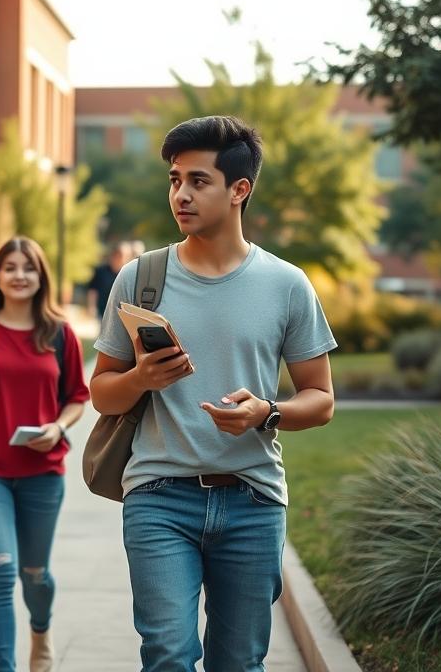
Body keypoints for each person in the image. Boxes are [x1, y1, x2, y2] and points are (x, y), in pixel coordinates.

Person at [90, 115, 337, 671]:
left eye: (198, 181)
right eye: (175, 180)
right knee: (168, 655)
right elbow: (103, 394)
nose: (181, 194)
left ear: (239, 189)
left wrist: (265, 412)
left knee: (239, 661)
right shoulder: (140, 278)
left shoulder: (287, 284)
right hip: (158, 494)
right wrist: (141, 379)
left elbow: (320, 399)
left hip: (252, 501)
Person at [0, 237, 91, 672]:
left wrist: (57, 427)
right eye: (10, 267)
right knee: (0, 567)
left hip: (42, 470)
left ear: (40, 276)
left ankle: (41, 629)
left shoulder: (59, 332)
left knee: (34, 573)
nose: (19, 275)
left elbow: (77, 397)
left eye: (28, 268)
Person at [85, 241, 132, 322]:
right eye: (118, 255)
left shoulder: (128, 274)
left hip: (122, 313)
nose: (121, 259)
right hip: (103, 310)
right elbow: (93, 290)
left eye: (125, 256)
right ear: (113, 255)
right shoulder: (101, 271)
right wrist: (91, 307)